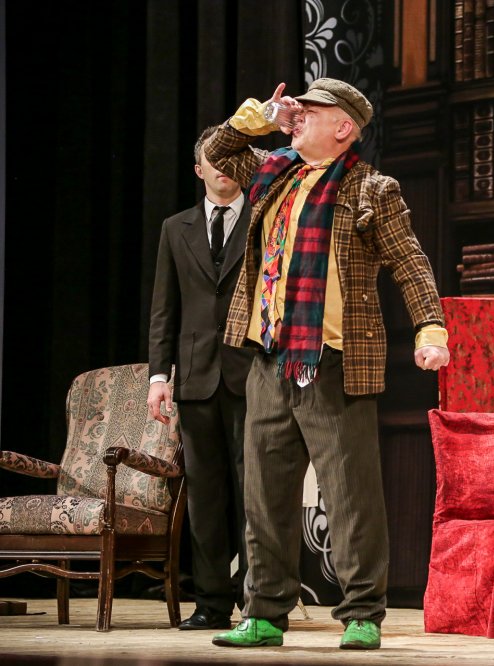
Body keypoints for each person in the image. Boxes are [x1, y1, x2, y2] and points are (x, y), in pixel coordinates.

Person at [203, 78, 450, 651]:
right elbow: (218, 151)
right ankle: (265, 613)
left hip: (333, 361)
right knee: (264, 494)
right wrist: (260, 117)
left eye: (310, 111)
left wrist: (430, 329)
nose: (298, 117)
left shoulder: (372, 189)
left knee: (349, 495)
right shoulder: (274, 172)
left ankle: (362, 612)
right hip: (269, 357)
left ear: (343, 127)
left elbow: (410, 264)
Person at [148, 126, 255, 630]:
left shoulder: (264, 218)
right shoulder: (176, 228)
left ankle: (259, 602)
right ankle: (212, 604)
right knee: (206, 498)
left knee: (255, 496)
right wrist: (158, 376)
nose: (224, 167)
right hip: (194, 379)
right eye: (214, 159)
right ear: (199, 169)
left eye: (233, 157)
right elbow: (164, 309)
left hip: (252, 374)